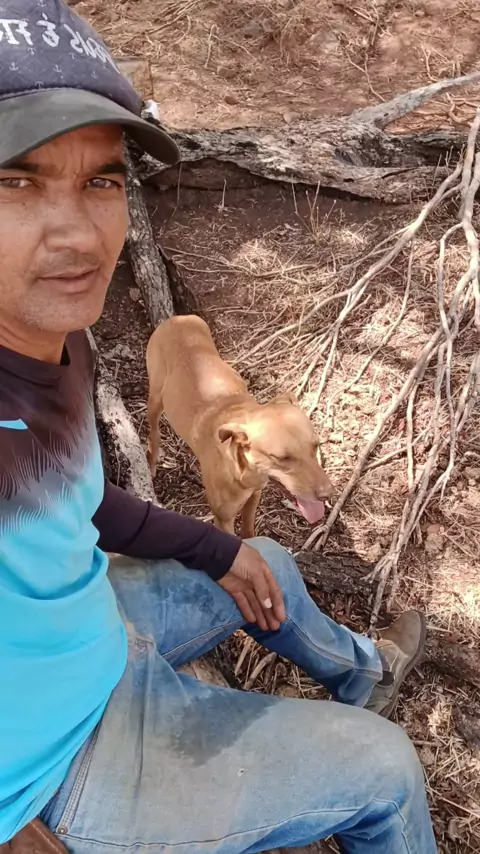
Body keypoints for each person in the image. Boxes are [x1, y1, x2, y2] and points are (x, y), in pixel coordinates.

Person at [0, 2, 437, 853]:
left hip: (89, 627)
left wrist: (215, 547)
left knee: (263, 561)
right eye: (15, 181)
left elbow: (78, 502)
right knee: (385, 769)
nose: (79, 233)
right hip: (57, 758)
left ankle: (367, 671)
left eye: (101, 181)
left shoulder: (57, 335)